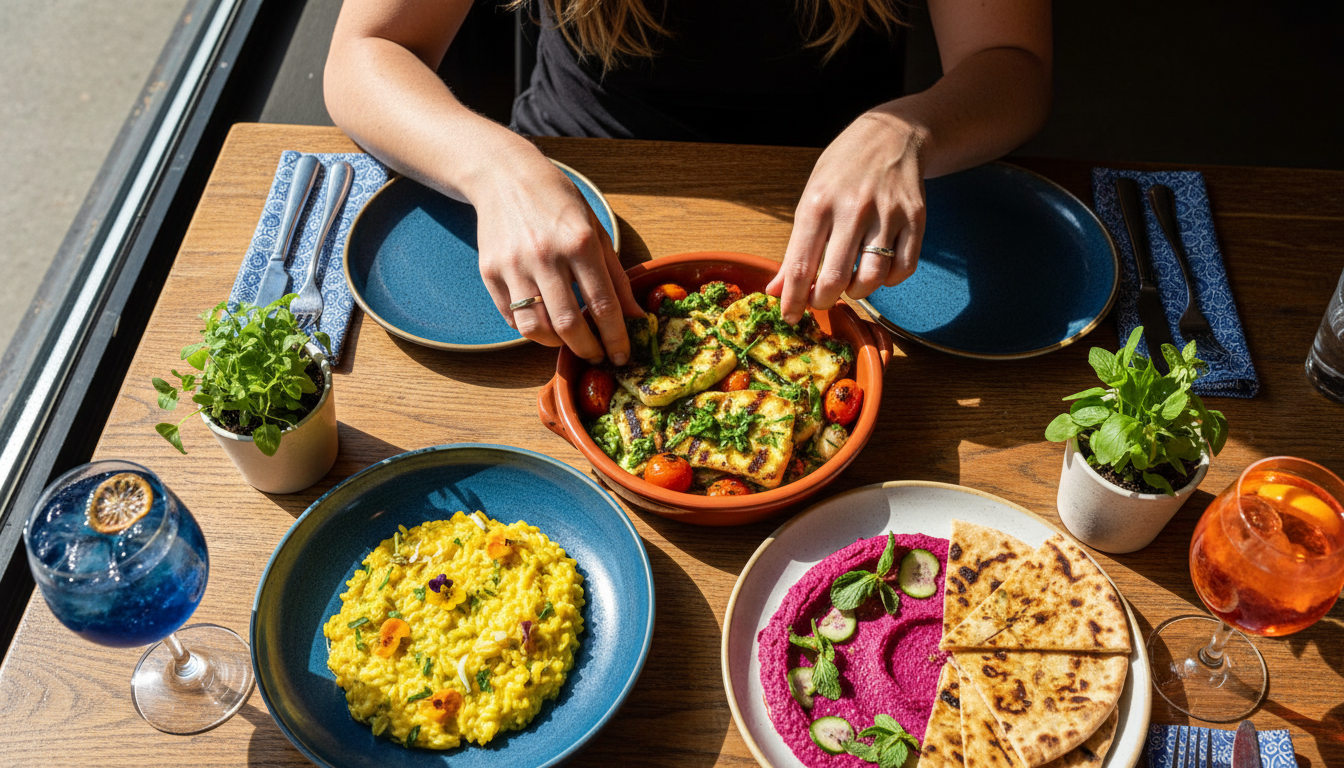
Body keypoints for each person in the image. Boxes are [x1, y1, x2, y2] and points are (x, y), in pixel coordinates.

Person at [325, 0, 1051, 366]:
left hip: (843, 195)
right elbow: (365, 51)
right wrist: (497, 169)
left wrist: (909, 131)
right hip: (571, 189)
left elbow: (1010, 61)